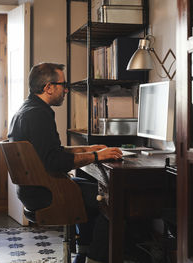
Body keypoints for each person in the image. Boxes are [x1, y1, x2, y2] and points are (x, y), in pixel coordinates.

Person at [8, 62, 122, 263]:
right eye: (64, 84)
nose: (67, 90)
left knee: (96, 188)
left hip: (33, 190)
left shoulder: (26, 110)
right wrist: (98, 157)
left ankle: (84, 250)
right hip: (47, 193)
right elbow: (55, 162)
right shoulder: (39, 114)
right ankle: (95, 258)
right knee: (113, 198)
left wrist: (87, 149)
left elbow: (51, 153)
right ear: (48, 87)